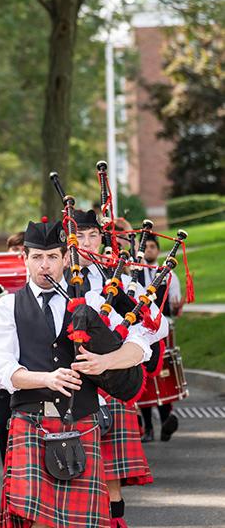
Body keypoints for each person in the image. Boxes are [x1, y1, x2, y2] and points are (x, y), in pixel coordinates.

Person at [0, 218, 152, 528]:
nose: (45, 265)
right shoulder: (7, 307)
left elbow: (141, 343)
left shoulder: (89, 302)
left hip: (82, 420)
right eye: (37, 257)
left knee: (80, 522)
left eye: (52, 257)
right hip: (31, 420)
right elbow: (3, 370)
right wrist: (46, 379)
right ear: (25, 259)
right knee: (37, 520)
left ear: (65, 259)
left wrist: (108, 361)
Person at [71, 209, 169, 527]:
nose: (86, 243)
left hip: (109, 383)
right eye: (79, 236)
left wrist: (134, 320)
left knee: (109, 474)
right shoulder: (56, 280)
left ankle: (114, 523)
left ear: (102, 240)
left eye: (93, 236)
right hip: (68, 383)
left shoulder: (122, 281)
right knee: (70, 471)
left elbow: (159, 326)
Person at [138, 234, 183, 443]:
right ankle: (148, 427)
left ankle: (165, 421)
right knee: (145, 375)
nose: (148, 250)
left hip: (162, 329)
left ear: (157, 250)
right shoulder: (134, 273)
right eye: (145, 246)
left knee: (163, 373)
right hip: (140, 330)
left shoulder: (168, 275)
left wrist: (176, 307)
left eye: (152, 246)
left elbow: (175, 306)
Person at [0, 233, 24, 462]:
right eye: (14, 248)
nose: (18, 252)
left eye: (23, 248)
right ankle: (8, 469)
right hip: (2, 359)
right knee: (2, 421)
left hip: (33, 361)